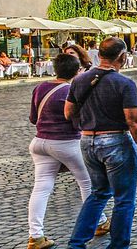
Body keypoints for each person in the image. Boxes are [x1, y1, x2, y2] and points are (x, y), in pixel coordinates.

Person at [64, 37, 137, 249]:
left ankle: (76, 244)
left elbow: (68, 112)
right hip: (115, 141)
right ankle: (118, 246)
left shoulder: (79, 80)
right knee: (124, 200)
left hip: (87, 141)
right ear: (123, 57)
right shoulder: (124, 83)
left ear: (99, 55)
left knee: (99, 193)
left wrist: (87, 124)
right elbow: (134, 122)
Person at [27, 54, 108, 249]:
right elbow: (77, 120)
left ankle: (35, 236)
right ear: (77, 71)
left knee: (41, 188)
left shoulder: (40, 88)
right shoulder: (72, 90)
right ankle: (99, 222)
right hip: (66, 143)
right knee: (88, 183)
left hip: (39, 143)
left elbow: (33, 118)